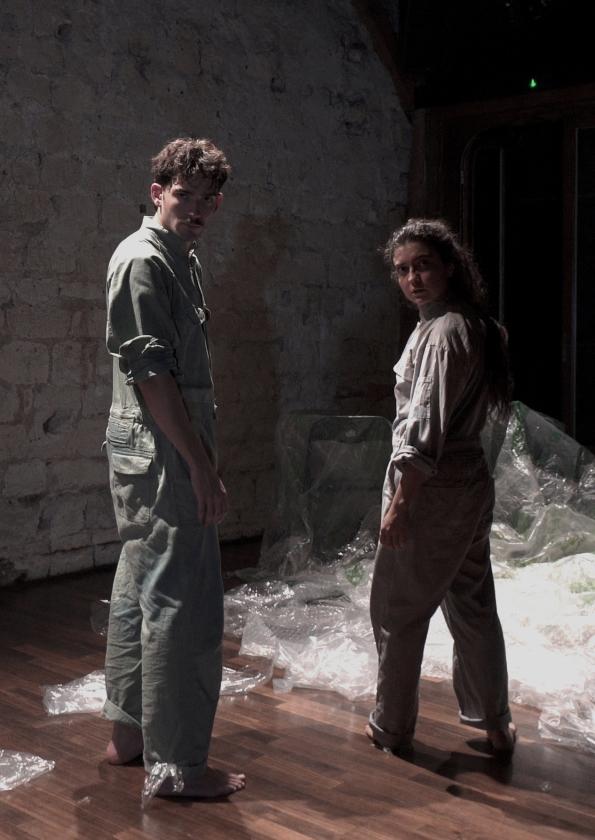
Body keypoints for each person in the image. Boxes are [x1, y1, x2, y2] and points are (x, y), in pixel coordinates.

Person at [103, 137, 245, 797]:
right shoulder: (142, 261)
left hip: (155, 449)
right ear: (157, 190)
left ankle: (130, 738)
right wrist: (200, 465)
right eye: (182, 194)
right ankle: (176, 768)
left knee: (140, 587)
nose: (194, 208)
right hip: (164, 452)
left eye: (205, 199)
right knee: (180, 604)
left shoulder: (175, 258)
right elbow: (152, 374)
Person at [367, 218, 516, 758]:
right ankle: (495, 723)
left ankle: (391, 726)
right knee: (472, 604)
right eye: (402, 270)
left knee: (397, 609)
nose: (413, 278)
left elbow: (423, 427)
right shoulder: (470, 325)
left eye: (423, 265)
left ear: (448, 267)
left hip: (434, 486)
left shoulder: (447, 330)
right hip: (467, 481)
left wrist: (403, 504)